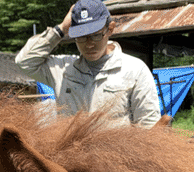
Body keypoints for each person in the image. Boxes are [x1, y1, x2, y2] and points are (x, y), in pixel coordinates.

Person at [15, 0, 161, 128]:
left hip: (118, 158)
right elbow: (24, 61)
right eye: (81, 37)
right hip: (70, 158)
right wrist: (60, 29)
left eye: (96, 35)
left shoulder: (134, 70)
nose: (89, 44)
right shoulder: (63, 69)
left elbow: (148, 126)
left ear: (110, 29)